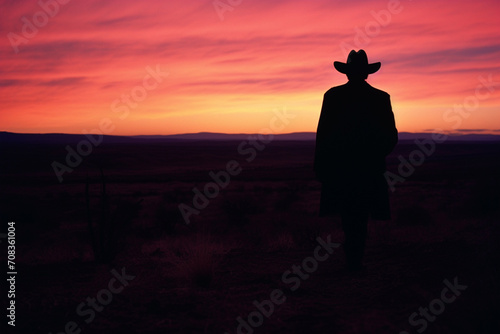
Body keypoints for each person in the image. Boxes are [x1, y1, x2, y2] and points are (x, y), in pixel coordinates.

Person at [314, 49, 398, 272]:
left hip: (340, 170)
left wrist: (322, 166)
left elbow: (323, 135)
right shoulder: (381, 98)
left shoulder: (332, 96)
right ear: (367, 73)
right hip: (369, 170)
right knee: (360, 215)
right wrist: (374, 155)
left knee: (348, 214)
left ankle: (353, 259)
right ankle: (355, 259)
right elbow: (391, 136)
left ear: (347, 73)